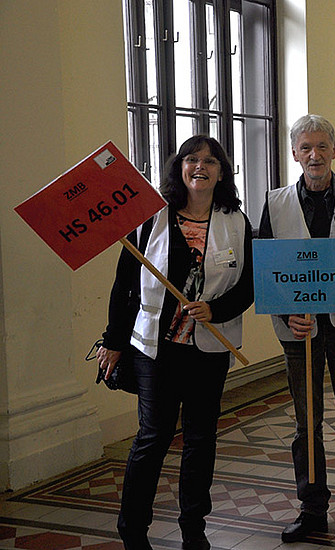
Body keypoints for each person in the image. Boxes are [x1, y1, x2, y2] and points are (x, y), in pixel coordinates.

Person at [98, 135, 254, 550]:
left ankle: (194, 528)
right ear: (179, 168)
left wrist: (215, 310)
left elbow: (248, 287)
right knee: (153, 437)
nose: (199, 167)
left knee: (201, 439)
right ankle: (132, 530)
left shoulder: (237, 222)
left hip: (209, 349)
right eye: (191, 159)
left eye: (209, 161)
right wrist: (113, 341)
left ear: (222, 171)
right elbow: (125, 285)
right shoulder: (151, 218)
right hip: (155, 350)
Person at [258, 114, 335, 543]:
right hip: (300, 332)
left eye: (322, 147)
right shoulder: (275, 203)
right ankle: (311, 508)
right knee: (305, 426)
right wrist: (285, 313)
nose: (314, 155)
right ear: (294, 154)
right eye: (305, 148)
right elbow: (269, 271)